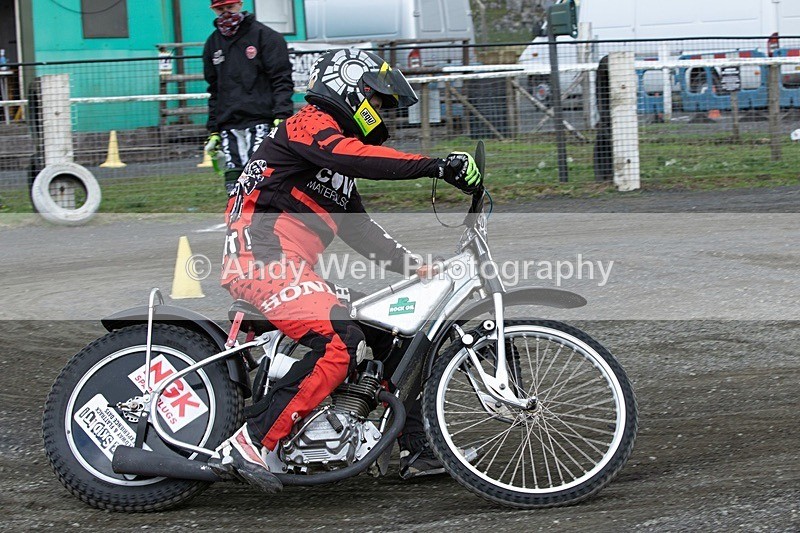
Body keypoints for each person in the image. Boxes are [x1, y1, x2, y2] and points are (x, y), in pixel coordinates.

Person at [211, 48, 482, 492]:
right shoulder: (307, 123)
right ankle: (251, 441)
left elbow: (362, 233)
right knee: (340, 340)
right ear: (349, 87)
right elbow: (351, 156)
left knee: (398, 333)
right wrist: (436, 166)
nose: (379, 113)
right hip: (262, 259)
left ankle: (418, 447)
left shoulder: (336, 170)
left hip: (290, 266)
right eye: (375, 102)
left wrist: (416, 267)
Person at [202, 0, 295, 193]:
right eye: (220, 9)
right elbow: (214, 89)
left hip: (261, 119)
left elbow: (281, 79)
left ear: (240, 4)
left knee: (260, 178)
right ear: (213, 10)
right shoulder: (213, 43)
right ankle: (239, 221)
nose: (226, 13)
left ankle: (270, 219)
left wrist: (282, 115)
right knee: (234, 183)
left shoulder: (266, 36)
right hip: (229, 124)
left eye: (230, 7)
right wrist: (213, 130)